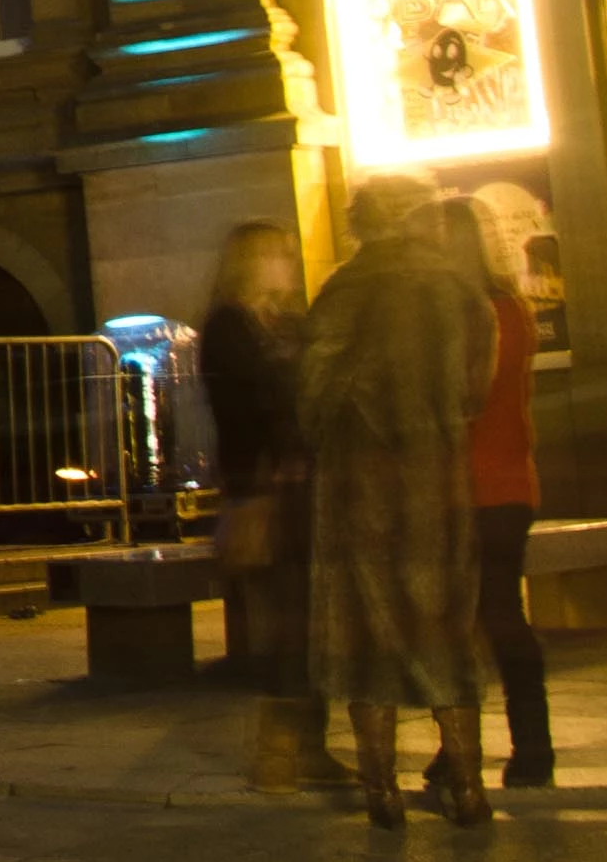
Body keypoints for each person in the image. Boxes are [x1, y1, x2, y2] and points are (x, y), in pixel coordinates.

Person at [303, 172, 495, 825]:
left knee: (364, 640)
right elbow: (475, 387)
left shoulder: (342, 290)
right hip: (435, 486)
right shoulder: (457, 289)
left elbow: (311, 394)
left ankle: (380, 788)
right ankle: (467, 786)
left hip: (361, 492)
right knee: (446, 629)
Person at [202, 218, 344, 793]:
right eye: (278, 255)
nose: (290, 263)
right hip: (263, 489)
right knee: (285, 621)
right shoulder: (230, 327)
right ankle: (279, 753)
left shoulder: (287, 322)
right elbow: (245, 405)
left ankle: (311, 746)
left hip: (305, 486)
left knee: (311, 620)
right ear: (251, 262)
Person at [432, 190, 550, 796]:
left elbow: (461, 400)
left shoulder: (471, 315)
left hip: (474, 489)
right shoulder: (512, 307)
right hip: (509, 482)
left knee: (481, 618)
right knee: (491, 616)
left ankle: (517, 748)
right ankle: (514, 746)